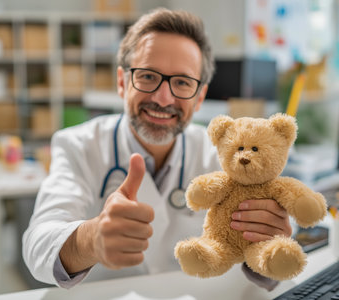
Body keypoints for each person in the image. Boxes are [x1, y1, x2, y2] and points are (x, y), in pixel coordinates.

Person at [23, 8, 292, 289]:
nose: (163, 99)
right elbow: (38, 244)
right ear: (121, 82)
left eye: (182, 82)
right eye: (148, 76)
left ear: (199, 97)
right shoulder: (78, 145)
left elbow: (270, 262)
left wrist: (271, 244)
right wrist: (91, 239)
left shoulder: (226, 155)